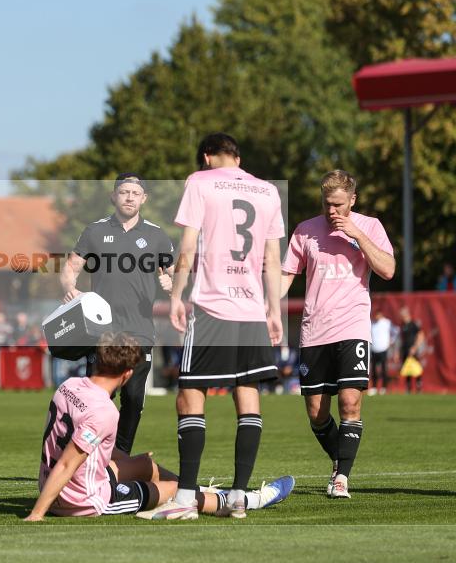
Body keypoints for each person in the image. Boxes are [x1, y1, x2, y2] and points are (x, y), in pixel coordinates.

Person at [24, 332, 294, 521]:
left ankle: (197, 489)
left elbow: (84, 452)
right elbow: (67, 464)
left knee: (146, 465)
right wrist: (37, 514)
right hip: (83, 500)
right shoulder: (104, 411)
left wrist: (133, 463)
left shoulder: (68, 386)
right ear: (128, 374)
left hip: (65, 482)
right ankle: (243, 500)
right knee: (175, 495)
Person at [157, 132, 285, 520]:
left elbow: (188, 247)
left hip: (213, 306)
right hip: (251, 310)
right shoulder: (268, 191)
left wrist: (176, 296)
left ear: (207, 157)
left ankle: (185, 496)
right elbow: (273, 257)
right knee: (246, 395)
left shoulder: (199, 181)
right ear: (239, 158)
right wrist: (275, 310)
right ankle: (238, 495)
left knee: (190, 394)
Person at [281, 169, 395, 499]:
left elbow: (388, 270)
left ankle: (342, 477)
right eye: (326, 204)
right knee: (317, 414)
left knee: (350, 402)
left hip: (353, 327)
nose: (331, 211)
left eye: (338, 205)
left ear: (352, 201)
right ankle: (340, 457)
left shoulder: (370, 226)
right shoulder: (305, 231)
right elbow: (286, 277)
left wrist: (356, 233)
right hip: (314, 331)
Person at [60, 172, 174, 454]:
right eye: (124, 192)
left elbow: (175, 274)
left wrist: (171, 282)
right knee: (96, 400)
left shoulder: (157, 235)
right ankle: (87, 457)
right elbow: (71, 267)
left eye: (135, 193)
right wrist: (69, 287)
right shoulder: (95, 231)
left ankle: (118, 458)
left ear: (144, 199)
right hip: (101, 331)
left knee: (134, 399)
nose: (130, 197)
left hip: (140, 331)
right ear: (114, 196)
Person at [398, 307, 425, 394]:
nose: (401, 317)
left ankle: (419, 387)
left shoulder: (413, 324)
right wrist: (398, 351)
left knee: (416, 369)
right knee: (407, 369)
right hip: (405, 350)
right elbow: (402, 340)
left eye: (402, 315)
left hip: (413, 351)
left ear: (406, 315)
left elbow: (421, 335)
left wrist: (415, 347)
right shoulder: (403, 325)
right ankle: (408, 388)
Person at [369, 311, 395, 394]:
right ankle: (374, 387)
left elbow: (396, 331)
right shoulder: (372, 323)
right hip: (374, 349)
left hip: (383, 349)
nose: (376, 317)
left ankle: (384, 387)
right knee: (374, 370)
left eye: (378, 315)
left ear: (381, 315)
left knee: (384, 370)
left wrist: (392, 340)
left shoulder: (387, 323)